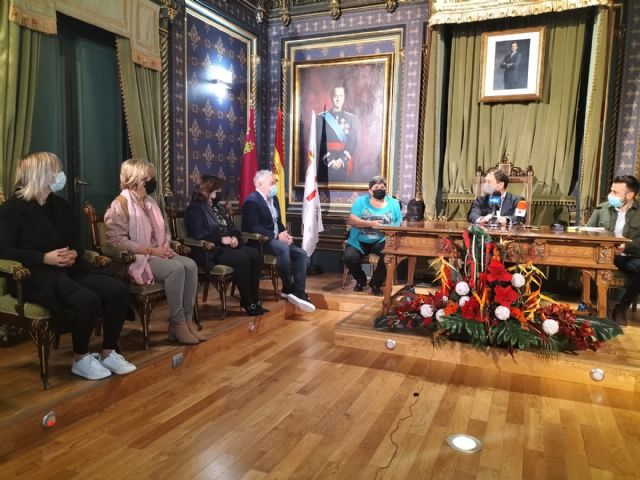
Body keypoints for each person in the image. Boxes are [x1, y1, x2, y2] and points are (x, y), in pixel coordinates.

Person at [0, 152, 136, 380]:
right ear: (40, 174)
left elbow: (75, 241)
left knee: (118, 290)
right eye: (55, 170)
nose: (59, 175)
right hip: (35, 275)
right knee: (87, 300)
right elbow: (4, 251)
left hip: (70, 268)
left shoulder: (60, 205)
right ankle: (81, 359)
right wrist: (44, 258)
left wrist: (75, 252)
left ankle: (109, 352)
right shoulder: (11, 209)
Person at [104, 159, 203, 345]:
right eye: (147, 178)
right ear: (134, 179)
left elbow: (165, 229)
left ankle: (188, 321)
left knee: (190, 265)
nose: (152, 182)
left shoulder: (151, 202)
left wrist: (165, 244)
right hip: (139, 257)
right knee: (175, 269)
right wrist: (152, 250)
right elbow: (117, 241)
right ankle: (178, 322)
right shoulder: (120, 204)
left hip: (159, 251)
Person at [185, 175, 266, 316]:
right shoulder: (195, 208)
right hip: (210, 251)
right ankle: (247, 302)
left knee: (255, 255)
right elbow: (198, 233)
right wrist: (222, 239)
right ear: (207, 190)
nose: (218, 192)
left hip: (225, 247)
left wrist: (234, 238)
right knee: (242, 258)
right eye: (216, 189)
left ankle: (255, 299)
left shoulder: (217, 207)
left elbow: (232, 227)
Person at [241, 170, 315, 312]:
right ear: (260, 184)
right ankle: (288, 287)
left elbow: (278, 223)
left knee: (301, 253)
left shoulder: (274, 199)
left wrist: (285, 234)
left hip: (276, 239)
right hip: (260, 243)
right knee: (283, 248)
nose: (275, 185)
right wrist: (276, 236)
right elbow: (253, 227)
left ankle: (298, 291)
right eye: (272, 183)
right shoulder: (252, 201)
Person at [586, 175, 640, 326]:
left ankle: (621, 309)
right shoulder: (602, 208)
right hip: (603, 254)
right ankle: (590, 306)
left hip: (629, 255)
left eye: (616, 192)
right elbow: (587, 232)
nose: (611, 195)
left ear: (629, 195)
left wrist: (626, 245)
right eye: (611, 190)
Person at [344, 176, 402, 296]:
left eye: (382, 187)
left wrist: (386, 229)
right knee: (349, 257)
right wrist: (370, 224)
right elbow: (352, 220)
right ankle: (361, 280)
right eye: (376, 187)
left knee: (388, 255)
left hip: (381, 240)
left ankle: (375, 283)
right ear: (370, 191)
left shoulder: (394, 203)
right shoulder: (361, 202)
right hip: (359, 240)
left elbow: (398, 223)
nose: (380, 189)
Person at [317, 85, 357, 184]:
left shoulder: (351, 118)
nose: (338, 99)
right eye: (336, 96)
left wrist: (342, 160)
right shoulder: (321, 117)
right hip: (326, 162)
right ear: (331, 97)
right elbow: (318, 142)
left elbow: (353, 143)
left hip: (344, 162)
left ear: (344, 98)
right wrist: (330, 161)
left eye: (341, 96)